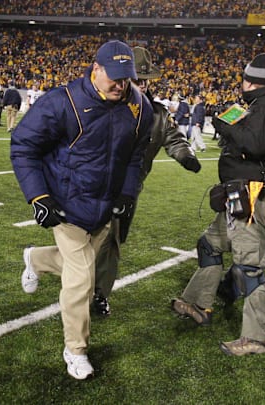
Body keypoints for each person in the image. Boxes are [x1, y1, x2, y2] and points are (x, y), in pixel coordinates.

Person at [10, 40, 153, 379]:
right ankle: (75, 349)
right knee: (82, 280)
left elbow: (136, 155)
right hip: (66, 205)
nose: (121, 86)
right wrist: (39, 197)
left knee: (82, 264)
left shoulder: (140, 106)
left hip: (104, 209)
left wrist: (127, 193)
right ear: (96, 68)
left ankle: (36, 259)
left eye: (126, 79)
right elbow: (24, 147)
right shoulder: (62, 102)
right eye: (114, 78)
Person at [170, 53, 265, 356]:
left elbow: (256, 145)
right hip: (237, 196)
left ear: (252, 81)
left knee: (249, 268)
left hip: (252, 198)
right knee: (209, 245)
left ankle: (255, 338)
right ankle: (199, 304)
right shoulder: (261, 105)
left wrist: (224, 126)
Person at [92, 45, 201, 316]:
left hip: (129, 189)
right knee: (90, 241)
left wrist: (186, 156)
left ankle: (99, 293)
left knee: (112, 244)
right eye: (134, 80)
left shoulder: (158, 114)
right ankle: (56, 269)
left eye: (143, 81)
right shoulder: (103, 105)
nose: (139, 85)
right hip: (94, 184)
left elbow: (175, 138)